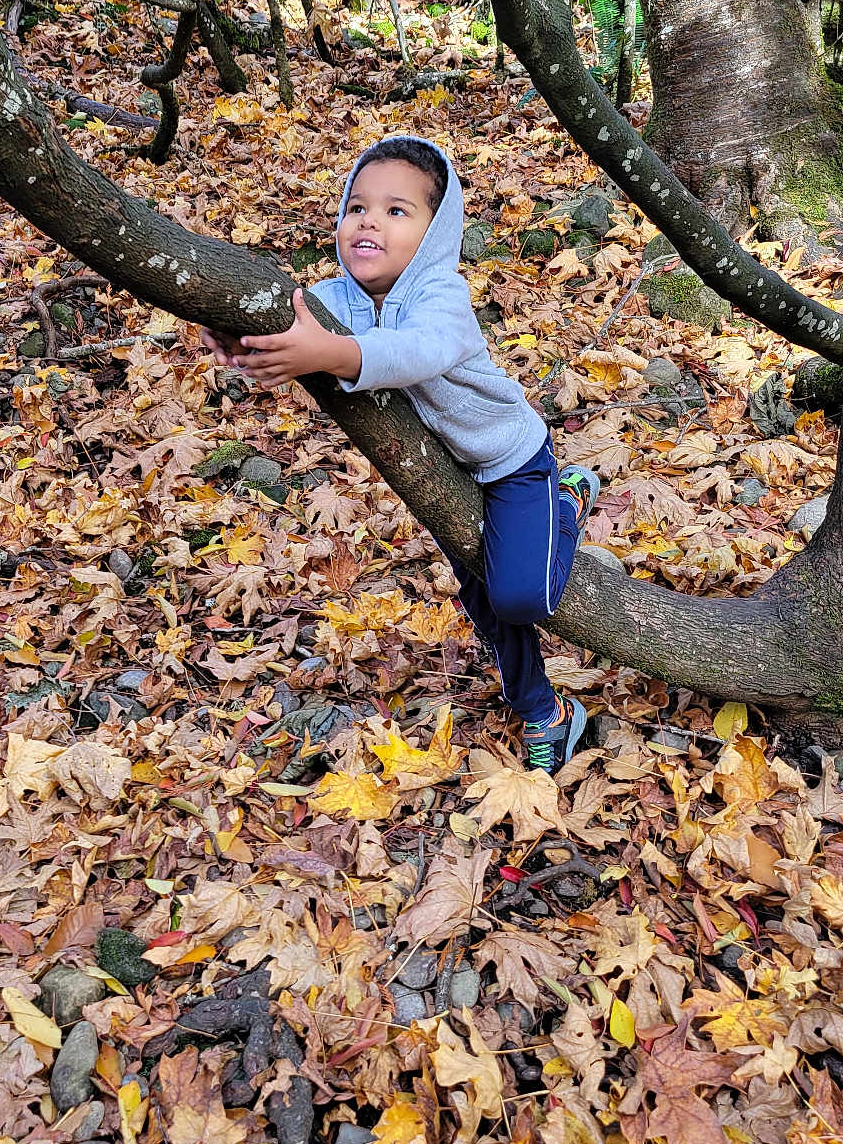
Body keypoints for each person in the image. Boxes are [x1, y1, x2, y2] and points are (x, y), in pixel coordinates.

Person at [200, 134, 600, 776]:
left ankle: (565, 501)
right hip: (442, 476)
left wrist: (333, 354)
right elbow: (288, 325)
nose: (369, 222)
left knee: (522, 596)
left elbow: (418, 351)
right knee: (485, 602)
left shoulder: (443, 295)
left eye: (395, 211)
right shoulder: (337, 299)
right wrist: (236, 337)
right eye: (357, 207)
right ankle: (543, 711)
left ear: (434, 234)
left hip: (509, 460)